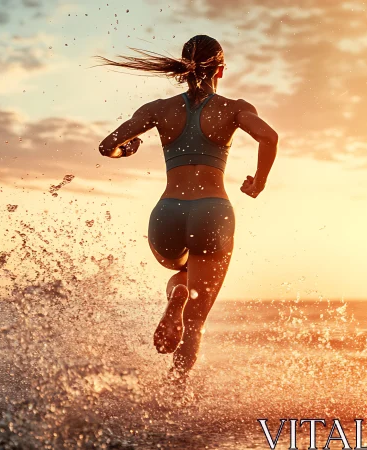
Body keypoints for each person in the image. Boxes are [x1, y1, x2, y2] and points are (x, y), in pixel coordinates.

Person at [96, 35, 279, 383]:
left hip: (167, 212)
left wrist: (128, 149)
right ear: (220, 70)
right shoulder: (234, 107)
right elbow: (269, 138)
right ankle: (175, 402)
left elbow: (107, 146)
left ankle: (177, 290)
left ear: (181, 70)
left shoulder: (158, 110)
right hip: (213, 210)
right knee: (194, 326)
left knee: (179, 269)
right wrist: (259, 181)